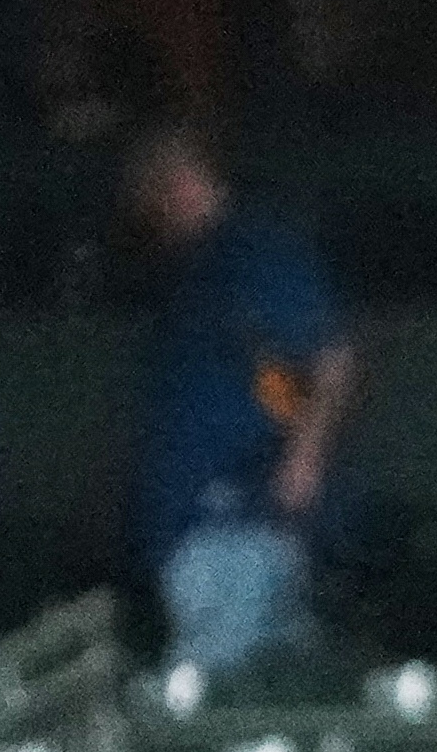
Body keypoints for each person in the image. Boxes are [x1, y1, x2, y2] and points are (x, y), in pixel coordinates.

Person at [120, 121, 356, 685]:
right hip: (214, 521)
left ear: (179, 182)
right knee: (262, 681)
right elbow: (268, 374)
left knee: (210, 695)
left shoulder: (253, 251)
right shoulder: (199, 266)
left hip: (235, 521)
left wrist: (304, 458)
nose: (148, 218)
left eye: (152, 196)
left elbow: (332, 359)